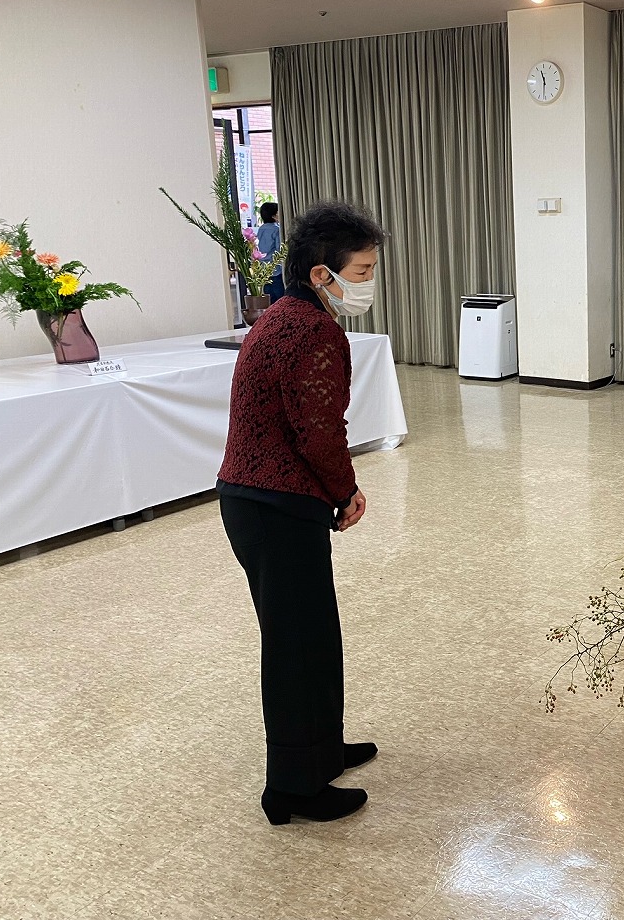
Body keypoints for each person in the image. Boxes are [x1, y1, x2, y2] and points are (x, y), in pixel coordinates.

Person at [217, 201, 385, 824]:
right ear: (322, 273)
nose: (367, 282)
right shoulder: (312, 331)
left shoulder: (283, 316)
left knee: (316, 635)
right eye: (361, 270)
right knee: (294, 644)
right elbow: (318, 434)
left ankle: (322, 752)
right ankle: (292, 788)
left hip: (266, 498)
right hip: (274, 507)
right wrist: (347, 492)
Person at [256, 201, 285, 302]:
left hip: (263, 270)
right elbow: (279, 251)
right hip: (276, 270)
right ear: (274, 215)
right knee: (281, 300)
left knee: (269, 300)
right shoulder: (277, 230)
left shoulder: (261, 230)